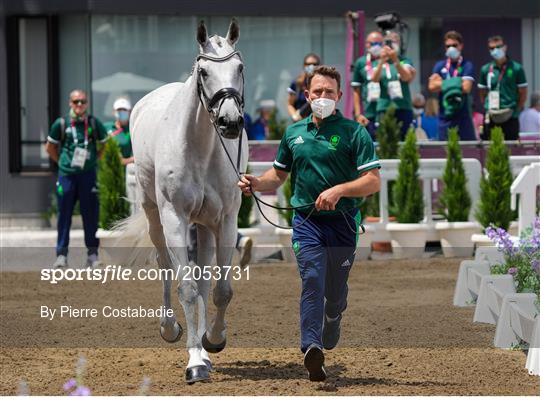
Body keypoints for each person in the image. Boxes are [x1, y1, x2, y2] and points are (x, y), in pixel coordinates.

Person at [238, 66, 381, 381]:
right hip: (306, 223)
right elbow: (277, 175)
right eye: (317, 92)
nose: (323, 97)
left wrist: (340, 190)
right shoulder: (294, 133)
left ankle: (334, 316)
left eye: (329, 92)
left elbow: (372, 181)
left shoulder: (354, 133)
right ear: (307, 96)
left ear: (340, 96)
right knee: (313, 279)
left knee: (336, 291)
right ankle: (311, 348)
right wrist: (256, 183)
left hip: (343, 224)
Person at [45, 89, 108, 268]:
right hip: (67, 176)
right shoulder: (62, 123)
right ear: (70, 103)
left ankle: (93, 254)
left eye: (82, 101)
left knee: (90, 215)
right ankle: (61, 255)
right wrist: (61, 163)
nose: (79, 105)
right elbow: (49, 147)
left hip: (87, 175)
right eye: (76, 102)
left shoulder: (94, 123)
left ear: (86, 103)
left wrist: (96, 159)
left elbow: (104, 144)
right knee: (64, 216)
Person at [478, 35, 528, 140]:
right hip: (492, 115)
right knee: (490, 148)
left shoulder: (516, 68)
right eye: (492, 48)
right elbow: (482, 92)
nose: (495, 50)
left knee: (512, 150)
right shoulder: (485, 69)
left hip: (510, 115)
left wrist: (516, 111)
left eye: (498, 47)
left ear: (505, 47)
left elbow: (523, 93)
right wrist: (487, 106)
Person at [428, 31, 476, 141]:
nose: (451, 48)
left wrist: (443, 83)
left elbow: (466, 88)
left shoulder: (467, 65)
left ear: (461, 46)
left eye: (454, 45)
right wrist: (458, 81)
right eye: (448, 46)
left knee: (467, 151)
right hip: (444, 117)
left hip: (463, 116)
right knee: (444, 152)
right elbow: (431, 86)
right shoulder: (440, 66)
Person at [372, 31, 416, 140]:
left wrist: (395, 59)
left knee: (404, 139)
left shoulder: (405, 60)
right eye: (388, 42)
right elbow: (374, 79)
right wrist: (382, 61)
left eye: (394, 42)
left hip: (402, 106)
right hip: (384, 107)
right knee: (384, 141)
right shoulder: (378, 62)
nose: (391, 45)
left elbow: (406, 77)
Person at [351, 31, 384, 139]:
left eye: (379, 43)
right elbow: (356, 90)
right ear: (367, 44)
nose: (376, 47)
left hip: (386, 110)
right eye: (373, 44)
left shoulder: (388, 61)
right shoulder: (361, 62)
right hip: (368, 113)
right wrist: (358, 113)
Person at [287, 53, 321, 122]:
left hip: (318, 122)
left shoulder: (322, 84)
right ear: (304, 65)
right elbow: (290, 104)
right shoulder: (296, 83)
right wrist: (295, 116)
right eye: (308, 64)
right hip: (301, 122)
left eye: (315, 64)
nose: (311, 66)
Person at [106, 97, 134, 164]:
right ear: (114, 112)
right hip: (109, 169)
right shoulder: (107, 127)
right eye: (119, 110)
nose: (121, 112)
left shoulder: (133, 129)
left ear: (130, 111)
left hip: (129, 170)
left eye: (124, 110)